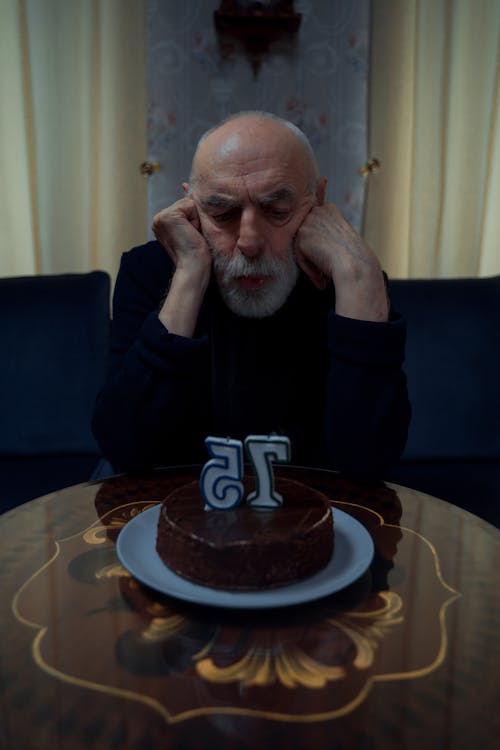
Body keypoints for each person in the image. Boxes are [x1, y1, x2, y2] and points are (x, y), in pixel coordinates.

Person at [92, 111, 410, 476]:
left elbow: (369, 464)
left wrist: (359, 278)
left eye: (277, 211)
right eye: (222, 212)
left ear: (317, 200)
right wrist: (190, 275)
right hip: (178, 511)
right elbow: (124, 448)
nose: (249, 242)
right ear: (191, 207)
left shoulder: (353, 279)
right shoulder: (149, 271)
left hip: (315, 513)